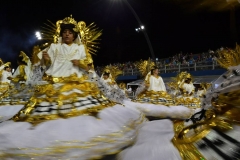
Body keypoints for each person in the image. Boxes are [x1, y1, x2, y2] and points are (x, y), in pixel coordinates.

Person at [0, 16, 145, 159]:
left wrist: (79, 63)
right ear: (61, 34)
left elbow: (88, 66)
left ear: (74, 34)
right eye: (64, 32)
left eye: (70, 32)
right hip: (54, 86)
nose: (67, 34)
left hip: (78, 84)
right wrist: (44, 61)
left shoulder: (80, 48)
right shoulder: (53, 47)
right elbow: (40, 69)